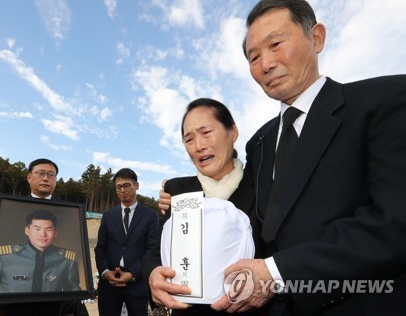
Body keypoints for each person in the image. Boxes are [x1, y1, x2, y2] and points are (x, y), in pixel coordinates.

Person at [162, 0, 406, 315]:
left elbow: (394, 223)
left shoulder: (383, 101)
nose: (265, 63)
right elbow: (255, 228)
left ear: (316, 37)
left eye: (276, 44)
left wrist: (277, 274)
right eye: (254, 57)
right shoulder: (260, 143)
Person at [145, 98, 256, 315]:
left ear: (233, 132)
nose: (198, 146)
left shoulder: (262, 186)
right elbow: (156, 252)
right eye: (189, 139)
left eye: (206, 132)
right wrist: (152, 274)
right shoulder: (177, 191)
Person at [0, 158, 89, 316]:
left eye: (51, 175)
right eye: (40, 173)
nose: (46, 178)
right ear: (29, 177)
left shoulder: (69, 211)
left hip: (54, 304)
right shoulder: (8, 206)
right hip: (15, 303)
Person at [95, 168, 159, 316]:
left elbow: (151, 250)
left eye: (126, 185)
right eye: (118, 187)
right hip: (109, 286)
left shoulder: (150, 216)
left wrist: (132, 274)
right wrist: (105, 272)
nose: (122, 190)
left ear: (136, 186)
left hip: (136, 286)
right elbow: (100, 249)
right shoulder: (108, 216)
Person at [0, 209, 80, 292]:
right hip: (13, 309)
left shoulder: (66, 260)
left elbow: (73, 291)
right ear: (27, 231)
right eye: (37, 229)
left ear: (55, 233)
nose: (42, 234)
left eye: (48, 229)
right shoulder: (4, 256)